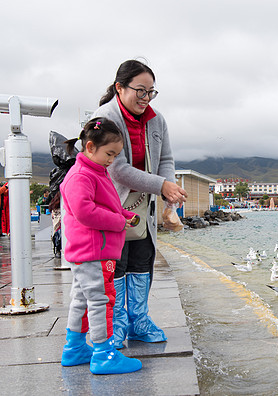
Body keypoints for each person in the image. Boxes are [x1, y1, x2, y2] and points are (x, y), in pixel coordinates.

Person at [92, 59, 187, 349]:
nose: (145, 99)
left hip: (143, 208)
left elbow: (166, 160)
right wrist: (162, 185)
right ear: (120, 88)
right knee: (115, 265)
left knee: (143, 260)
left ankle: (139, 321)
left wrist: (168, 192)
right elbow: (116, 170)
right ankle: (116, 325)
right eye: (140, 91)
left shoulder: (157, 120)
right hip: (111, 205)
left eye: (151, 92)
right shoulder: (104, 118)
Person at [60, 117, 142, 375]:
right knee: (101, 300)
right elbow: (85, 212)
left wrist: (125, 215)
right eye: (109, 153)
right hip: (94, 251)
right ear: (90, 147)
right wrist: (119, 222)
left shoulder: (93, 171)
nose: (112, 160)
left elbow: (104, 205)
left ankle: (74, 348)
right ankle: (104, 353)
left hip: (87, 251)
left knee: (82, 299)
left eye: (116, 155)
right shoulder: (82, 175)